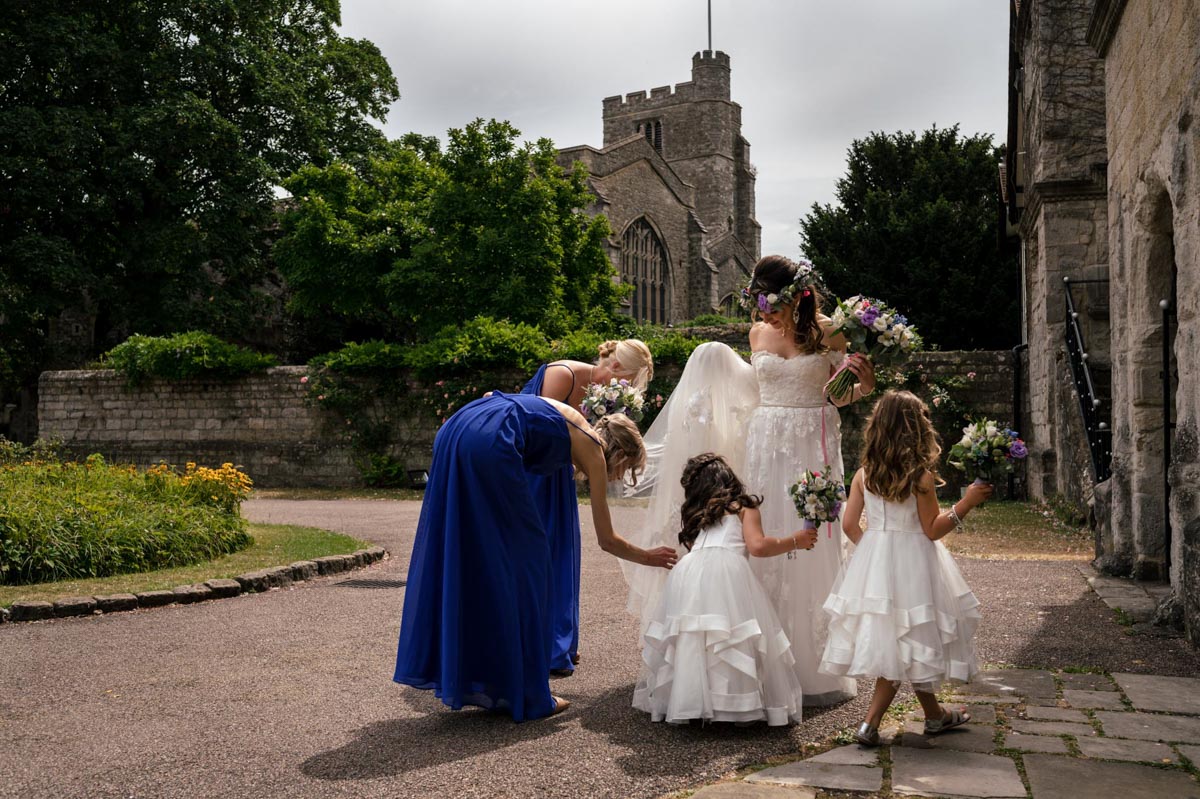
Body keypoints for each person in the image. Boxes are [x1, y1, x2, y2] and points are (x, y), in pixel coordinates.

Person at [624, 255, 877, 708]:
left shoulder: (831, 331)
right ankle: (755, 660)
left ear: (798, 297)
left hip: (811, 441)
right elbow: (753, 390)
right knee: (759, 538)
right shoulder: (757, 333)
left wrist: (866, 382)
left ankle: (809, 665)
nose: (765, 318)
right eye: (760, 310)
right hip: (764, 441)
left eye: (772, 308)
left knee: (810, 541)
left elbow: (845, 395)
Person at [394, 391, 677, 722]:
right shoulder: (595, 452)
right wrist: (651, 557)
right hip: (492, 439)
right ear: (621, 454)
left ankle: (486, 674)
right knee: (532, 569)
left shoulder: (573, 420)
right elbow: (608, 540)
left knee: (477, 554)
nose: (621, 478)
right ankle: (528, 693)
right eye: (628, 469)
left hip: (460, 425)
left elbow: (498, 400)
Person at [819, 390, 989, 745]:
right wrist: (967, 503)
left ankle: (935, 716)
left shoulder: (864, 475)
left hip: (876, 561)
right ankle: (869, 724)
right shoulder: (920, 477)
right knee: (907, 638)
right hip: (914, 561)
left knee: (908, 639)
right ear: (916, 429)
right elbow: (932, 530)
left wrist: (876, 555)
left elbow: (850, 525)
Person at [633, 454, 813, 726]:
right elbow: (758, 546)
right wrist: (794, 541)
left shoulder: (702, 514)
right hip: (727, 571)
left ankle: (691, 700)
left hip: (691, 571)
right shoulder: (744, 507)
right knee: (728, 635)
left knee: (698, 637)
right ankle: (730, 703)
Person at [520, 339, 653, 675]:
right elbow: (538, 427)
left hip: (559, 475)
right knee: (533, 553)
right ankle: (534, 642)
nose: (622, 388)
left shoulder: (608, 397)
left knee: (561, 552)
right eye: (625, 380)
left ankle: (557, 644)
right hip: (532, 471)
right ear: (616, 367)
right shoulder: (563, 374)